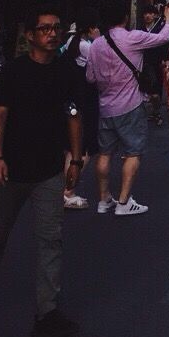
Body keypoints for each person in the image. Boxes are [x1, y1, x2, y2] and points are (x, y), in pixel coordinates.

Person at [0, 4, 83, 337]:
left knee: (51, 241)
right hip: (12, 169)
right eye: (44, 29)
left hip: (48, 171)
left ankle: (46, 313)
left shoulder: (66, 72)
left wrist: (75, 160)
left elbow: (74, 115)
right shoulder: (15, 72)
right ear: (31, 35)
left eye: (56, 28)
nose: (52, 34)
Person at [85, 0, 169, 216]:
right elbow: (163, 37)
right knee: (133, 152)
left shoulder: (95, 45)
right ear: (126, 17)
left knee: (104, 154)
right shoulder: (132, 37)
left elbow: (90, 77)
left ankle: (104, 199)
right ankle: (124, 201)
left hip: (105, 106)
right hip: (131, 105)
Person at [60, 20, 100, 209]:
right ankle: (68, 191)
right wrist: (98, 40)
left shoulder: (69, 43)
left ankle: (63, 190)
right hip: (86, 99)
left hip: (70, 97)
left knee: (70, 146)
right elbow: (99, 68)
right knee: (84, 147)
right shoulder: (88, 46)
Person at [140, 2, 169, 125]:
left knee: (156, 94)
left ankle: (156, 112)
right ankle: (150, 113)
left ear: (155, 15)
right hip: (143, 64)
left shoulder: (159, 29)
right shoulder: (139, 30)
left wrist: (166, 62)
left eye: (150, 13)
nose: (148, 16)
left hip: (157, 63)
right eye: (146, 13)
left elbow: (164, 46)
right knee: (145, 92)